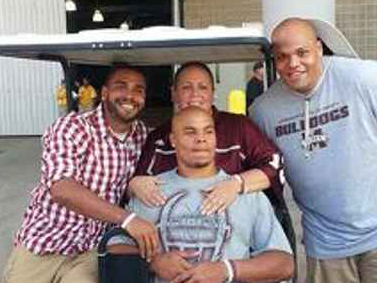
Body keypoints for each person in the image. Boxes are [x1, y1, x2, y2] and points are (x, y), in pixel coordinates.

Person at [2, 65, 160, 283]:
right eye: (121, 86)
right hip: (44, 242)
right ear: (104, 93)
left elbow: (186, 144)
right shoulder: (72, 128)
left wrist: (225, 185)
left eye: (139, 90)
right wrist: (128, 219)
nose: (130, 95)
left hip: (91, 250)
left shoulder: (143, 135)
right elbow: (62, 189)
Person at [249, 17, 377, 283]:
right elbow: (260, 166)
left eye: (302, 52)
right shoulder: (263, 111)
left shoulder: (364, 77)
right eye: (283, 57)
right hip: (326, 243)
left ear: (318, 48)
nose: (293, 63)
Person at [109, 106, 294, 283]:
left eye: (208, 131)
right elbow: (114, 248)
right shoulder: (149, 190)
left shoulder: (243, 192)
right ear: (173, 140)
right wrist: (153, 262)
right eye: (190, 132)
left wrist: (226, 270)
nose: (201, 139)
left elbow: (285, 264)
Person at [129, 61, 285, 222]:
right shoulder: (159, 137)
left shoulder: (238, 126)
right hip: (173, 227)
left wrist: (236, 183)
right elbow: (138, 184)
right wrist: (134, 185)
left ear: (213, 93)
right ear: (173, 93)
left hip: (233, 224)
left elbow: (273, 164)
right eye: (186, 87)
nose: (195, 94)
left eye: (202, 87)